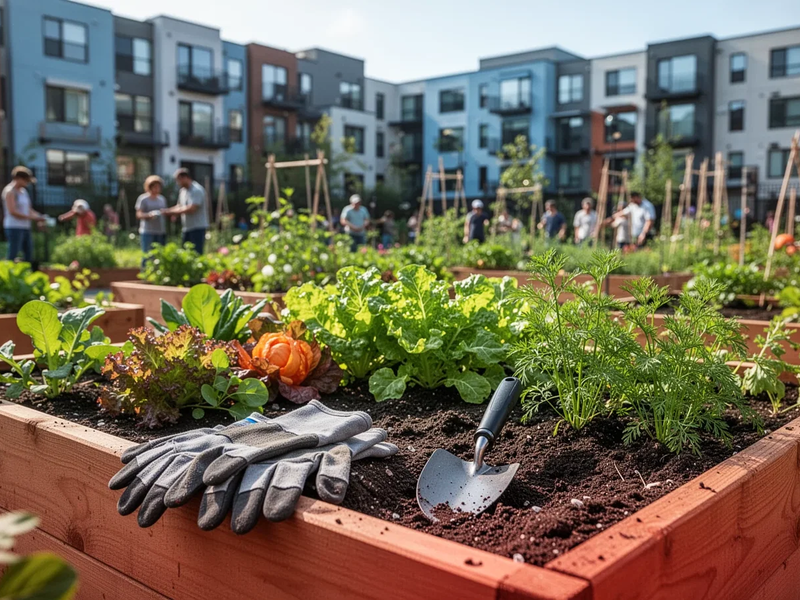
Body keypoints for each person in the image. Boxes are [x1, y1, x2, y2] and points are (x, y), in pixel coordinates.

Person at [2, 166, 45, 262]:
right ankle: (7, 275)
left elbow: (29, 209)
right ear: (18, 178)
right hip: (14, 227)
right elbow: (12, 211)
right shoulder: (10, 191)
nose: (27, 183)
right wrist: (32, 218)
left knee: (28, 253)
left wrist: (39, 217)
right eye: (26, 180)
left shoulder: (23, 192)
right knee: (13, 252)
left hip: (25, 227)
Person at [165, 168, 209, 253]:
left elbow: (192, 208)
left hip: (197, 227)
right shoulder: (183, 191)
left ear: (185, 178)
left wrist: (172, 212)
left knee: (196, 253)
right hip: (187, 228)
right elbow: (179, 206)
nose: (178, 183)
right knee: (186, 253)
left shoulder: (197, 190)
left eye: (179, 180)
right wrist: (168, 211)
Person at [135, 175, 168, 263]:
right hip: (147, 231)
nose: (157, 189)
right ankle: (145, 275)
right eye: (155, 187)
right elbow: (139, 214)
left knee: (159, 255)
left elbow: (165, 211)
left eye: (159, 187)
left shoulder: (162, 199)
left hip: (160, 230)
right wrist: (149, 215)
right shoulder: (143, 199)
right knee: (147, 255)